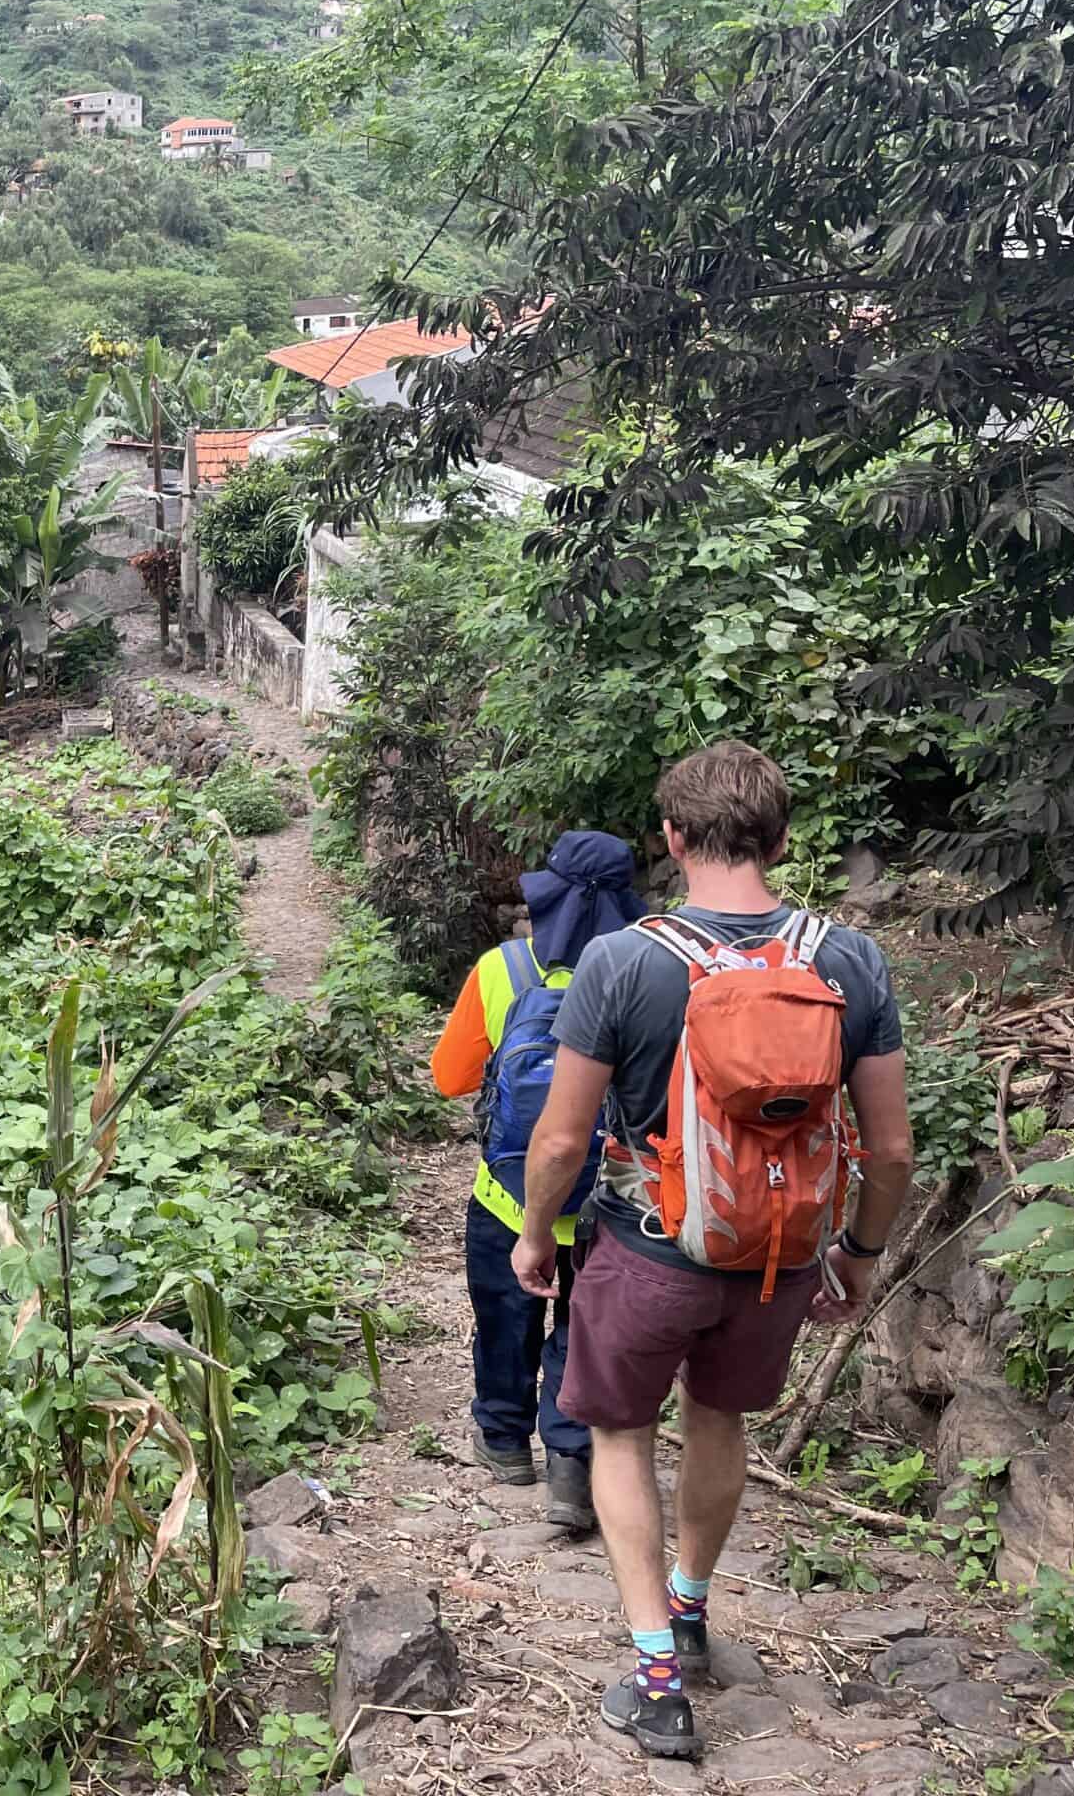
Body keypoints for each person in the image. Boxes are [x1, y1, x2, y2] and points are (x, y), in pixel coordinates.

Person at [514, 743, 914, 1762]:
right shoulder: (847, 959)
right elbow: (893, 1144)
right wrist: (860, 1252)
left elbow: (560, 1137)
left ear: (671, 839)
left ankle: (655, 1679)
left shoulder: (624, 960)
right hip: (776, 1253)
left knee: (616, 1435)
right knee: (719, 1417)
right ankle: (690, 1611)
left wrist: (532, 1234)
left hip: (651, 1247)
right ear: (780, 840)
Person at [429, 830, 644, 1528]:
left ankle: (502, 1442)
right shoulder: (651, 974)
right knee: (582, 1328)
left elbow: (448, 1077)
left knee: (504, 1319)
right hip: (612, 1201)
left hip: (507, 1197)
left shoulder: (502, 970)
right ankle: (570, 1465)